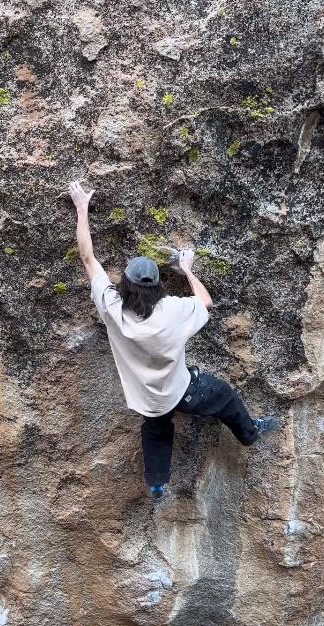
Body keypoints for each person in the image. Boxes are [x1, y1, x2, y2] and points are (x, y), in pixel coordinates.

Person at [68, 180, 279, 499]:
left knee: (156, 430)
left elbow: (88, 258)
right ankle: (248, 434)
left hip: (147, 400)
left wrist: (82, 209)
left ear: (124, 285)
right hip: (181, 390)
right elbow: (206, 302)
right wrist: (187, 269)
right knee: (223, 395)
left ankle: (157, 484)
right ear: (156, 288)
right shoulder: (172, 310)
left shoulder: (113, 309)